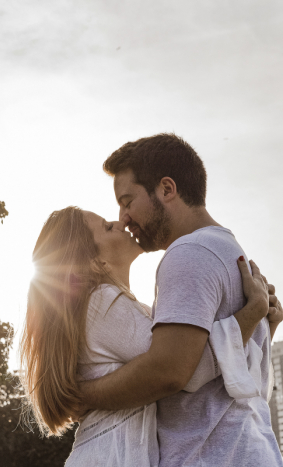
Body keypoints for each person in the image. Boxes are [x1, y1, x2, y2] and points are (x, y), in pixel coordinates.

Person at [75, 133, 283, 466]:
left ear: (167, 189)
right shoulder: (230, 253)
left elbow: (169, 371)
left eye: (128, 201)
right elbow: (246, 377)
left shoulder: (187, 254)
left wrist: (81, 395)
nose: (123, 217)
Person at [19, 206, 276, 466]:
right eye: (108, 227)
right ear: (95, 262)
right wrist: (250, 316)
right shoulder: (101, 302)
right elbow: (181, 370)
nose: (120, 222)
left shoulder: (123, 310)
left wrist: (264, 326)